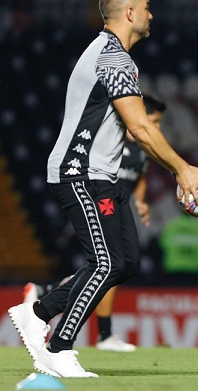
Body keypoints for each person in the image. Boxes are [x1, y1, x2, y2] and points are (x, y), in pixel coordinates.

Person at [8, 0, 198, 378]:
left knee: (125, 262)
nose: (152, 14)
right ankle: (59, 347)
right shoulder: (113, 58)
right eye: (148, 7)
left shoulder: (111, 54)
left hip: (102, 176)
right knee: (104, 263)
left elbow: (137, 130)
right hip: (78, 172)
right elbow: (140, 128)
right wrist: (183, 169)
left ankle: (37, 312)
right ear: (131, 13)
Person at [22, 95, 168, 352]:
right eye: (152, 121)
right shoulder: (112, 137)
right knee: (109, 265)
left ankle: (44, 297)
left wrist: (141, 201)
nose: (156, 127)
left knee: (125, 265)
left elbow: (140, 177)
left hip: (118, 204)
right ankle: (95, 336)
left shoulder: (142, 152)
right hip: (98, 198)